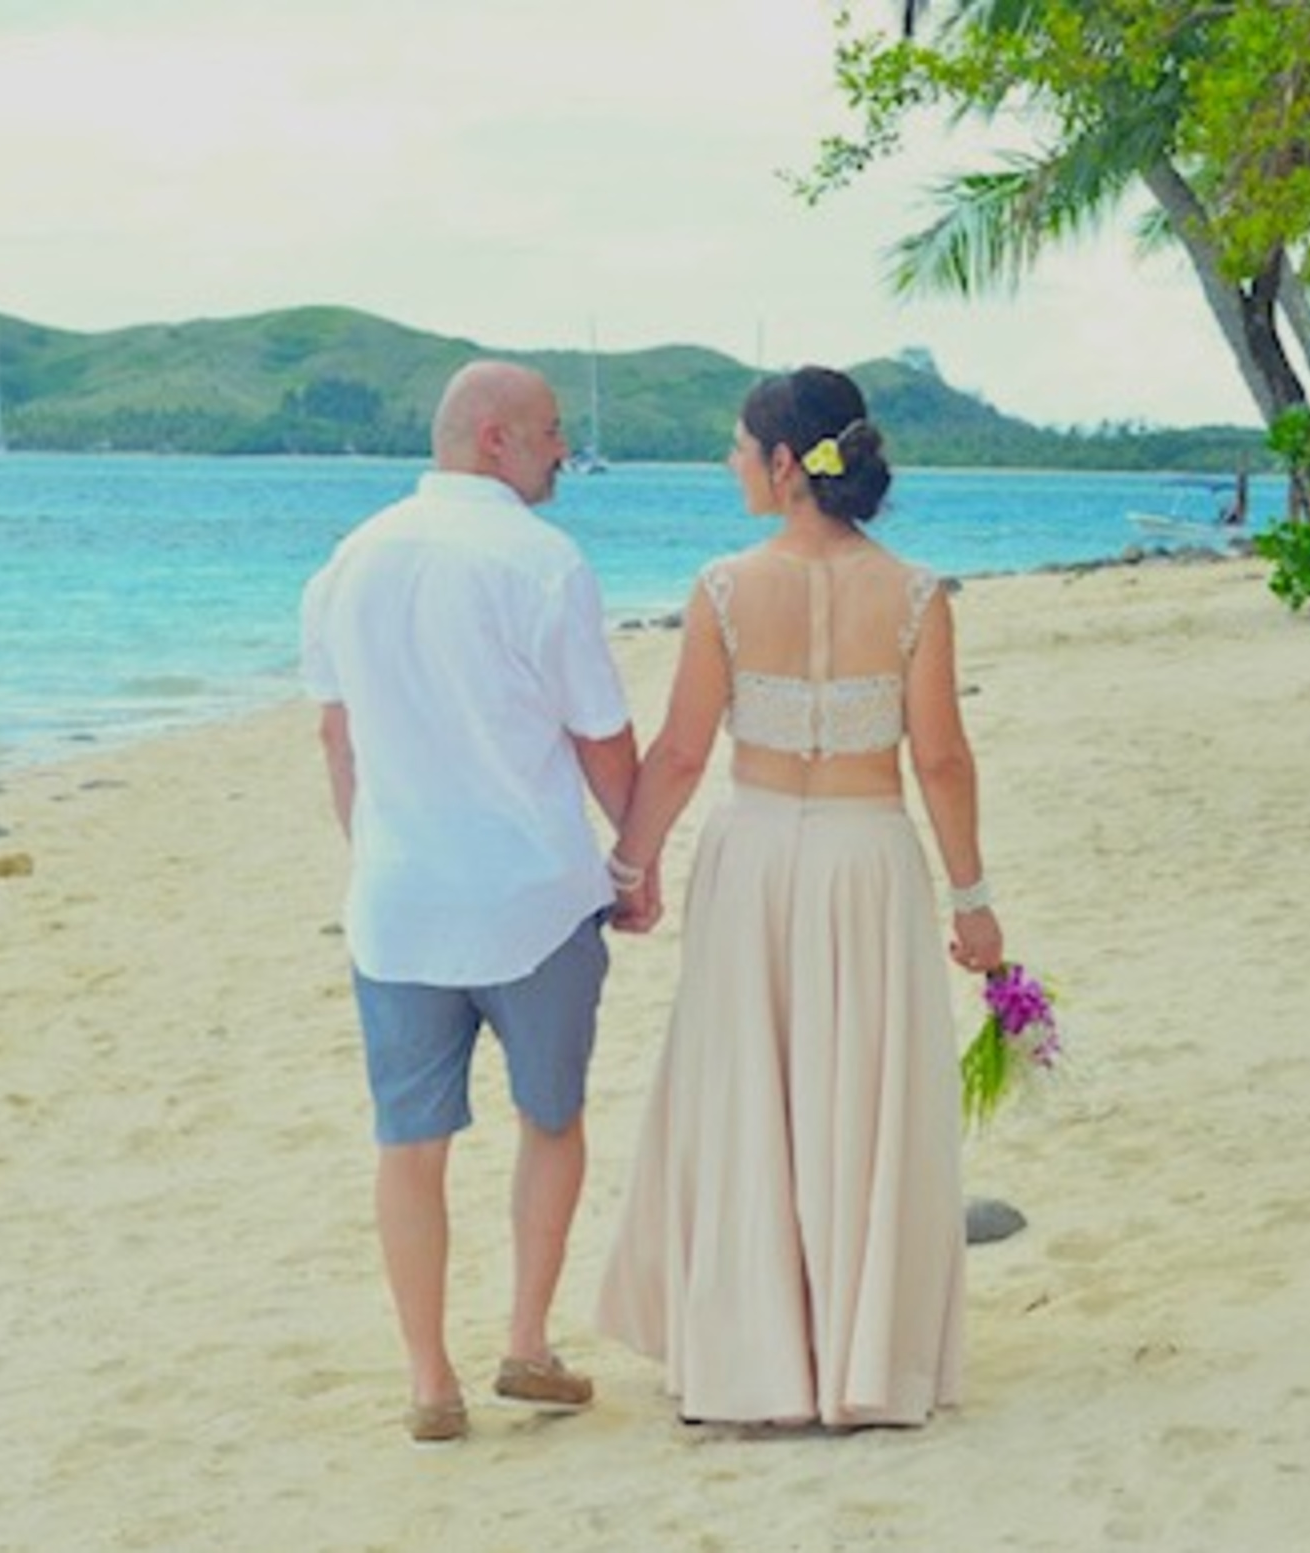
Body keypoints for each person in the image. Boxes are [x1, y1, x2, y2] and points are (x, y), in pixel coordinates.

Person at [595, 366, 1003, 1428]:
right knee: (859, 1092)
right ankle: (859, 1358)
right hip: (870, 858)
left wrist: (630, 868)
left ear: (785, 464)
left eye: (739, 447)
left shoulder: (725, 587)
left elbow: (682, 751)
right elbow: (944, 760)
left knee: (750, 1093)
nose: (729, 464)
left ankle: (757, 1358)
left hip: (759, 851)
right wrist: (974, 900)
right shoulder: (916, 594)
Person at [300, 360, 643, 1447]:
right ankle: (527, 1343)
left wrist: (376, 850)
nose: (562, 451)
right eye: (549, 432)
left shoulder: (347, 561)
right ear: (494, 437)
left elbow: (336, 736)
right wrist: (635, 861)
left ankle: (429, 1378)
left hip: (398, 903)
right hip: (532, 895)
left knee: (411, 1142)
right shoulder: (541, 560)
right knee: (552, 1118)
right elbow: (600, 735)